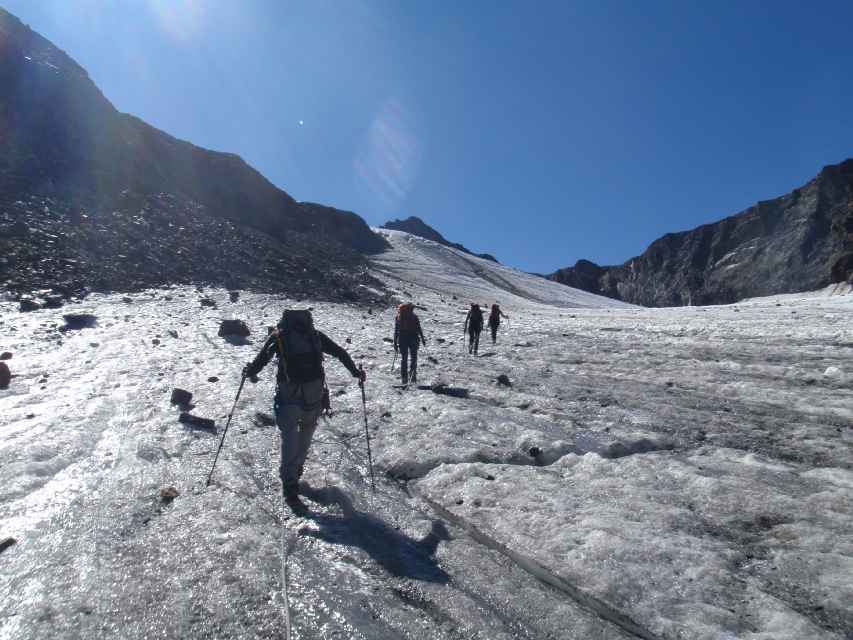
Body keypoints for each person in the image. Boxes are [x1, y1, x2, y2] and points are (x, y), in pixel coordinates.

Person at [243, 309, 365, 501]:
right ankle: (297, 467)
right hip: (314, 393)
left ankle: (289, 481)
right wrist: (356, 373)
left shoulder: (279, 336)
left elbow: (261, 360)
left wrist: (249, 372)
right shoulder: (315, 336)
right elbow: (340, 353)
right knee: (307, 430)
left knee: (289, 434)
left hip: (288, 392)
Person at [394, 302, 426, 385]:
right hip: (413, 338)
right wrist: (422, 339)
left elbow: (396, 331)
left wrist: (395, 343)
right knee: (414, 358)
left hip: (402, 339)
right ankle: (413, 377)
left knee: (404, 359)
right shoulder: (414, 317)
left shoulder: (398, 317)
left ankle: (404, 378)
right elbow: (419, 328)